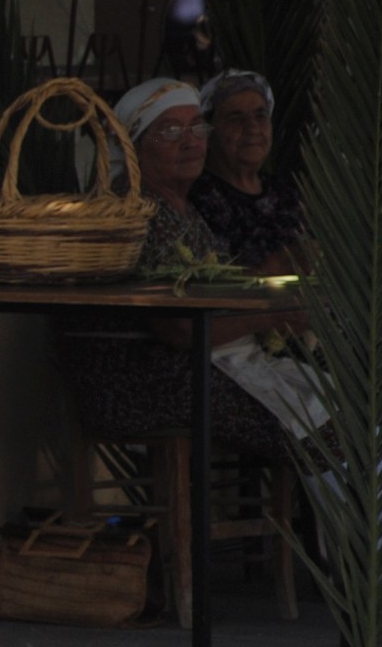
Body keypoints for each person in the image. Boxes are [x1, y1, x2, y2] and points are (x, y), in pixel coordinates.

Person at [60, 78, 321, 462]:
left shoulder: (182, 208)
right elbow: (179, 328)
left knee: (355, 415)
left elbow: (215, 292)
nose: (191, 141)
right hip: (151, 382)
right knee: (333, 437)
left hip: (199, 366)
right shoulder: (135, 212)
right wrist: (267, 314)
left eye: (198, 127)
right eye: (170, 130)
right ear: (135, 144)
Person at [190, 69, 304, 272]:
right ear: (208, 131)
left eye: (260, 115)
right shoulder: (198, 197)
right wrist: (283, 263)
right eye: (235, 117)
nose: (252, 127)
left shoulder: (286, 192)